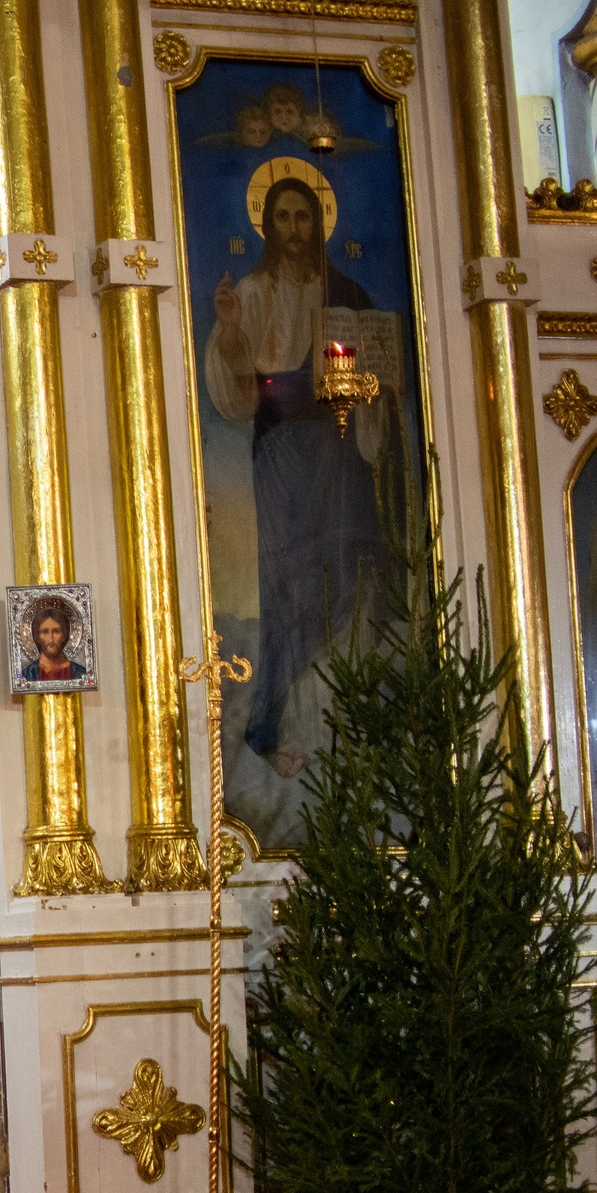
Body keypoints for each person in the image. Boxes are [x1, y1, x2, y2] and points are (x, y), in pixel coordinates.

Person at [204, 175, 396, 777]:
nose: (294, 230)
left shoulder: (348, 296)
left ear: (319, 224)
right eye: (283, 217)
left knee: (342, 578)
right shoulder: (253, 293)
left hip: (337, 453)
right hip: (282, 455)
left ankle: (349, 725)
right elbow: (235, 396)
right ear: (269, 225)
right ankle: (274, 727)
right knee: (288, 584)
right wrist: (231, 330)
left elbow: (378, 378)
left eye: (304, 218)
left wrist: (376, 389)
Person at [19, 594, 89, 685]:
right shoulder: (27, 674)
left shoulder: (80, 673)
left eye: (56, 631)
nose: (51, 639)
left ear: (64, 634)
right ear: (37, 636)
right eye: (45, 632)